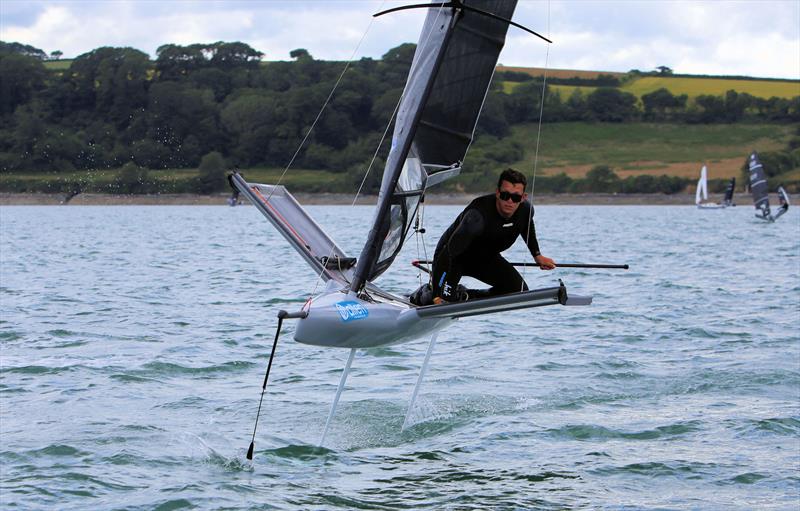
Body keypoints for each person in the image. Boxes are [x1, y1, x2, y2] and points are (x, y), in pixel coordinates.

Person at [429, 168, 555, 304]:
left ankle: (466, 296)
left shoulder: (526, 211)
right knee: (443, 300)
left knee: (518, 291)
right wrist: (438, 293)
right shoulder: (477, 217)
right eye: (505, 195)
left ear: (523, 198)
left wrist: (537, 255)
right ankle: (428, 294)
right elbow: (450, 253)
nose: (510, 201)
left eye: (516, 197)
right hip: (453, 258)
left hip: (485, 258)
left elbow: (526, 227)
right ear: (497, 193)